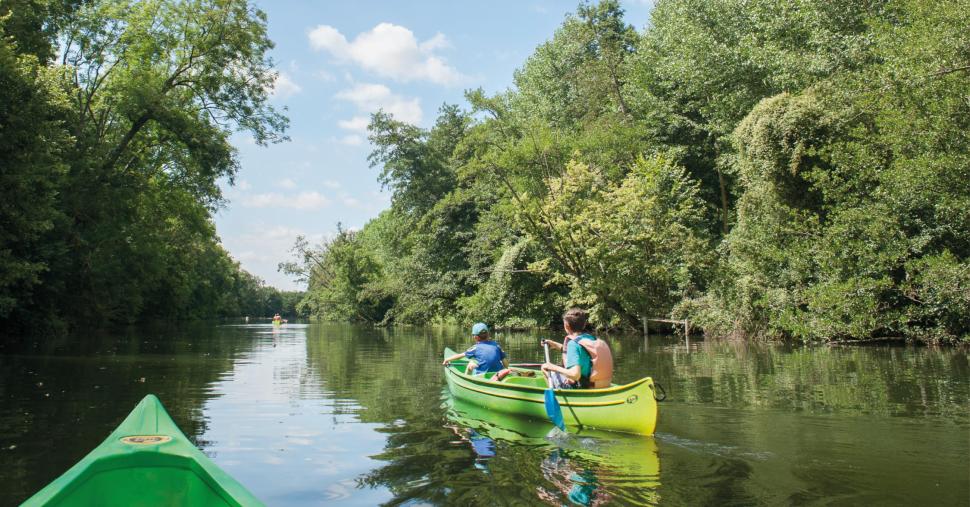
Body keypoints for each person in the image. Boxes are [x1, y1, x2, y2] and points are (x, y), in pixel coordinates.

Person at [541, 308, 613, 389]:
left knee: (545, 367)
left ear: (566, 326)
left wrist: (552, 367)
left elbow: (575, 375)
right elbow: (578, 353)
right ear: (584, 324)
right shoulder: (591, 338)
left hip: (585, 387)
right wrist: (554, 344)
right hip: (603, 385)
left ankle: (559, 396)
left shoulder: (573, 344)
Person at [442, 323, 508, 375]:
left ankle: (466, 379)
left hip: (482, 375)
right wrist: (506, 369)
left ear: (475, 337)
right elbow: (505, 362)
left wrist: (447, 359)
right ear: (488, 334)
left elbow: (461, 356)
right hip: (498, 374)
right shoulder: (496, 345)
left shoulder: (475, 348)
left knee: (471, 363)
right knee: (501, 360)